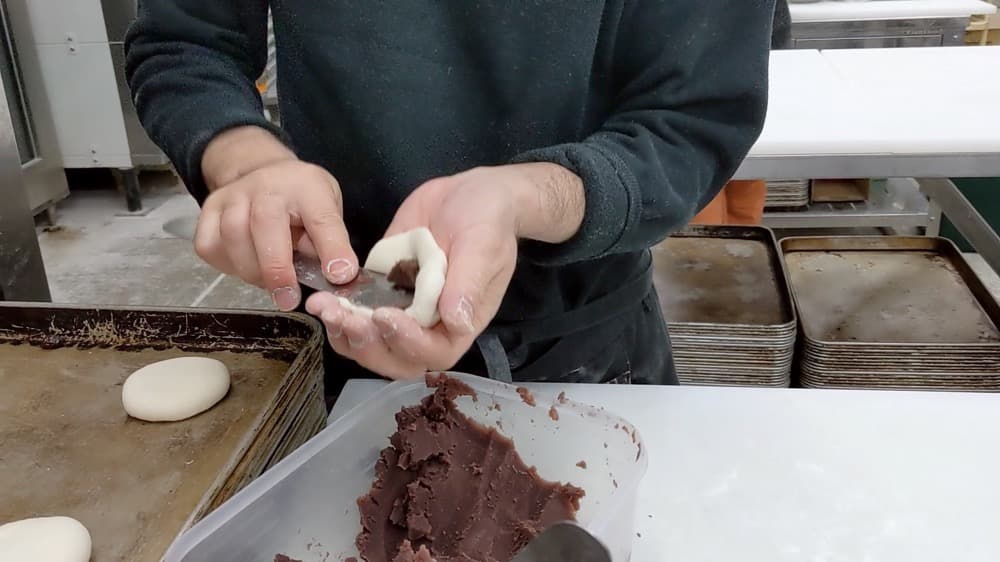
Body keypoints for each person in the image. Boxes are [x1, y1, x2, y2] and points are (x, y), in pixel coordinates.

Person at [125, 1, 775, 397]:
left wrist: (527, 197)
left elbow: (692, 117)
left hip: (587, 351)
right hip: (349, 322)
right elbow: (186, 43)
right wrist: (246, 160)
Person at [691, 0, 791, 226]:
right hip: (694, 99)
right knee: (704, 215)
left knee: (743, 209)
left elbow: (776, 27)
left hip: (752, 79)